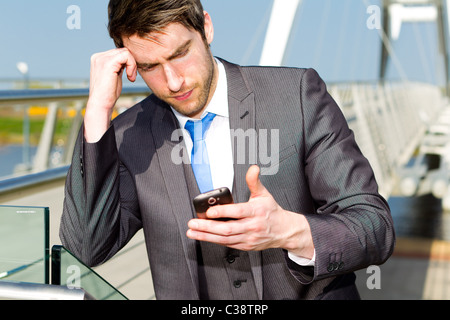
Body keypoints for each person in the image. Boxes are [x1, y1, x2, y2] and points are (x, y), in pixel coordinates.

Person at [60, 0, 395, 300]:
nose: (173, 81)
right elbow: (86, 248)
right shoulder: (128, 134)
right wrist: (98, 111)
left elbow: (374, 226)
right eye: (150, 67)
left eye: (180, 54)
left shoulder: (296, 95)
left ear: (206, 27)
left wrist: (290, 232)